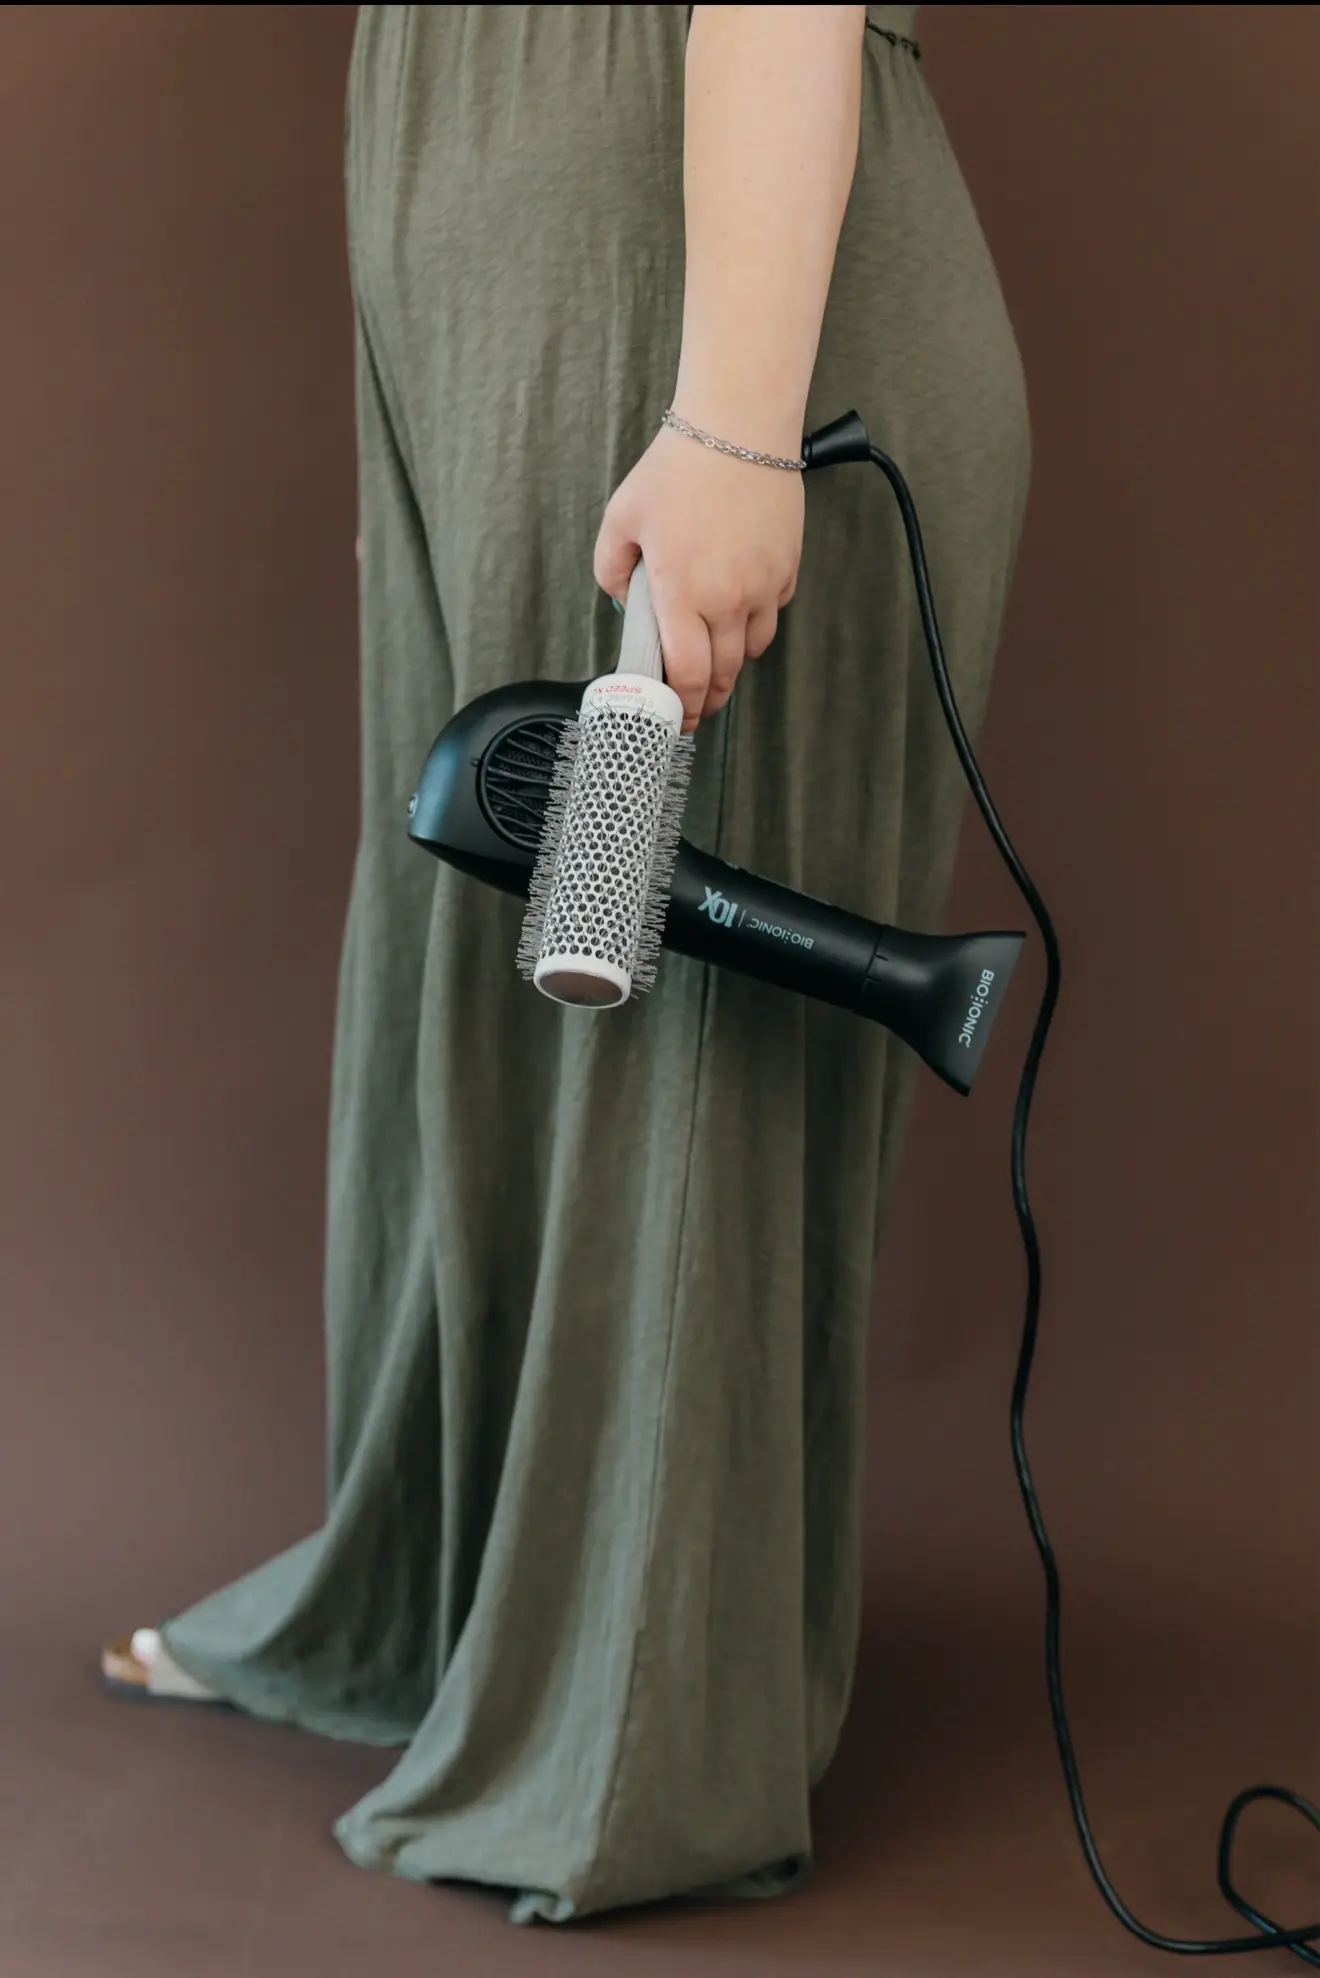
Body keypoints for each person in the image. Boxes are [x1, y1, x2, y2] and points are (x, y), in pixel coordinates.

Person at [102, 2, 1029, 1925]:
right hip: (506, 304)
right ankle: (437, 1607)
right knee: (476, 971)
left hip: (695, 295)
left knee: (655, 1045)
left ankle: (626, 1734)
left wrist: (736, 423)